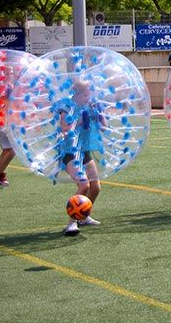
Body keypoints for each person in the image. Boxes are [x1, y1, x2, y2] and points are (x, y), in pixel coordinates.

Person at [60, 80, 106, 236]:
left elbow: (104, 127)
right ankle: (71, 223)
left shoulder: (90, 106)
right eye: (86, 94)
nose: (89, 97)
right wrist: (79, 121)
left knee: (96, 187)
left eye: (90, 93)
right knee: (84, 185)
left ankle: (83, 216)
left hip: (84, 150)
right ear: (77, 94)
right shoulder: (68, 108)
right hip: (70, 151)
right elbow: (65, 130)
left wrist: (100, 115)